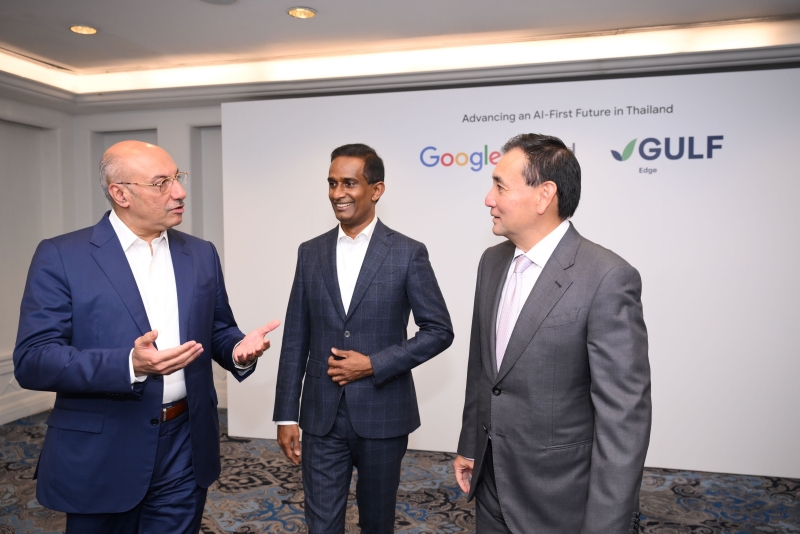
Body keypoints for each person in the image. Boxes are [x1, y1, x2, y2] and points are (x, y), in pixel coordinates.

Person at [13, 140, 280, 534]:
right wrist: (129, 364)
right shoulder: (63, 256)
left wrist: (238, 350)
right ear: (121, 194)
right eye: (161, 183)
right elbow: (33, 360)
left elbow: (217, 329)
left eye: (178, 177)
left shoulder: (200, 253)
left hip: (185, 445)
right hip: (104, 450)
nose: (180, 192)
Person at [453, 134, 651, 533]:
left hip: (559, 498)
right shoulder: (491, 262)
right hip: (491, 482)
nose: (488, 199)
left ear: (544, 195)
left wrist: (607, 524)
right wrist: (470, 446)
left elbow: (623, 418)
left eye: (500, 187)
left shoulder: (607, 277)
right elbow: (484, 371)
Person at [273, 143, 454, 533]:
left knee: (376, 523)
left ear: (376, 190)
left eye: (349, 183)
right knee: (321, 525)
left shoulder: (407, 253)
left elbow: (439, 330)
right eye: (332, 183)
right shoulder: (310, 253)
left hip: (383, 413)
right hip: (320, 417)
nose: (338, 193)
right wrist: (286, 415)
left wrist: (373, 364)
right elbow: (295, 338)